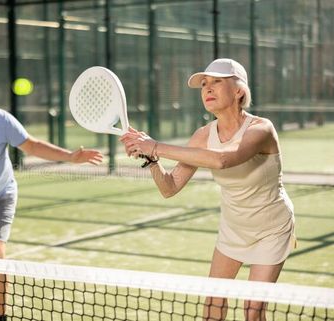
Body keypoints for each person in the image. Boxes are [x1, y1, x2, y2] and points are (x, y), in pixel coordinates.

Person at [120, 58, 296, 321]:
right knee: (212, 305)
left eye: (216, 82)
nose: (207, 89)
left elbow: (224, 159)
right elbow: (170, 187)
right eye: (204, 84)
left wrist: (154, 145)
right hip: (233, 228)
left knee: (253, 311)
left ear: (238, 91)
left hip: (272, 229)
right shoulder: (203, 135)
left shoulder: (261, 129)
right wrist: (152, 160)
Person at [0, 71, 103, 321]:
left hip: (2, 193)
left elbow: (32, 145)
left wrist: (70, 156)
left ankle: (0, 315)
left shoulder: (2, 120)